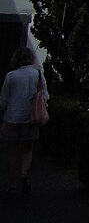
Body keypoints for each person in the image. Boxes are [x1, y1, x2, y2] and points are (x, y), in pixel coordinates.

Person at [0, 46, 48, 195]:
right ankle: (24, 173)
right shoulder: (37, 74)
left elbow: (3, 99)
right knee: (27, 149)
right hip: (31, 117)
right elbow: (45, 96)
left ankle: (12, 183)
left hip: (12, 116)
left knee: (12, 151)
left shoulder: (11, 76)